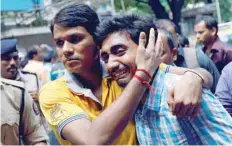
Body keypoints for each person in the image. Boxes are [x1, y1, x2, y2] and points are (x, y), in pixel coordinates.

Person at [39, 4, 213, 145]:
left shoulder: (121, 72)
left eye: (75, 39)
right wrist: (142, 75)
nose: (66, 50)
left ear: (97, 42)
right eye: (59, 43)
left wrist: (193, 79)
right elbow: (92, 141)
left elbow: (200, 75)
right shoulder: (52, 92)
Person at [96, 14, 232, 145]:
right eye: (106, 58)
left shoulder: (183, 93)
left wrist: (197, 77)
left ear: (150, 49)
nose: (111, 64)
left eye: (120, 51)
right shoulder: (133, 101)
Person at [0, 38, 48, 145]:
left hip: (37, 132)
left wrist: (40, 99)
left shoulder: (32, 78)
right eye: (6, 59)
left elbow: (49, 104)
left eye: (15, 58)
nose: (12, 62)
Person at [155, 19, 220, 93]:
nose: (166, 40)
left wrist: (195, 77)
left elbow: (219, 91)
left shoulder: (197, 57)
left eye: (170, 35)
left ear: (177, 38)